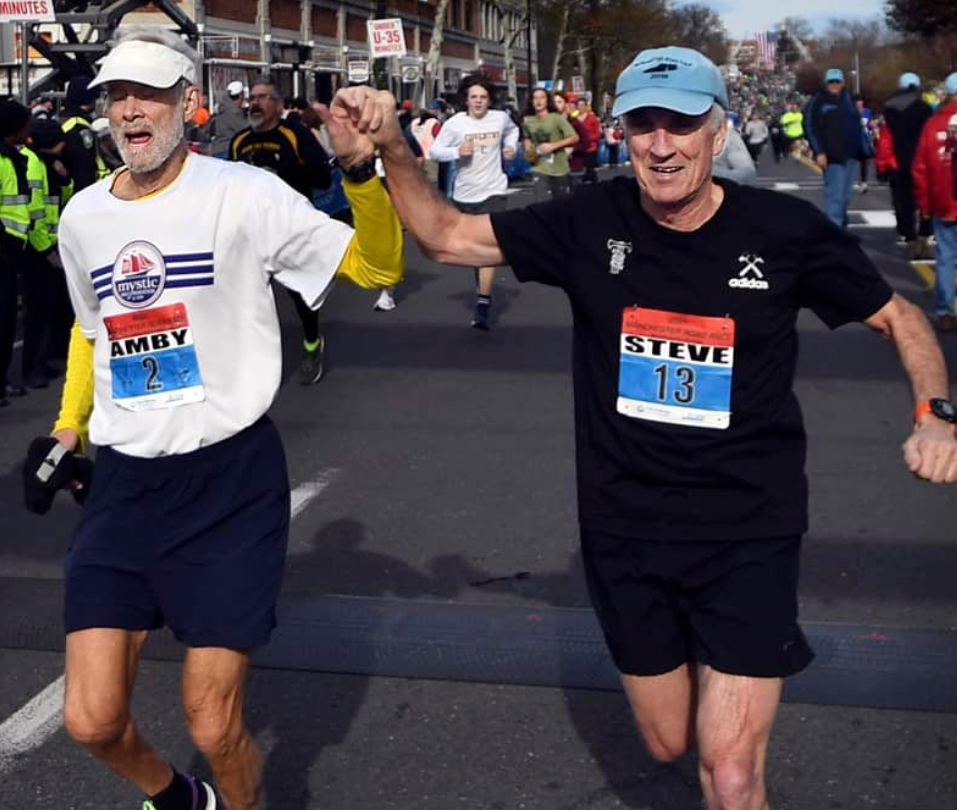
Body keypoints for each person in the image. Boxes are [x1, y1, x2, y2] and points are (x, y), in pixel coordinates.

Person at [335, 44, 957, 810]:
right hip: (624, 526)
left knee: (729, 775)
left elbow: (898, 315)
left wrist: (934, 415)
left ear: (717, 130)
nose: (662, 145)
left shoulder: (781, 231)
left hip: (746, 530)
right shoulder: (591, 219)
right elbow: (447, 238)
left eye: (682, 125)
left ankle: (734, 686)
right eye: (643, 125)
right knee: (669, 742)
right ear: (624, 132)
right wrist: (394, 146)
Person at [21, 25, 402, 810]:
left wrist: (362, 172)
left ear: (188, 104)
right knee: (91, 720)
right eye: (115, 96)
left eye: (148, 94)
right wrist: (68, 426)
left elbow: (377, 266)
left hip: (227, 482)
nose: (130, 110)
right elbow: (91, 329)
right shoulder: (84, 215)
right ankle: (178, 799)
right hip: (124, 490)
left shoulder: (243, 193)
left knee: (213, 720)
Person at [230, 76, 333, 384]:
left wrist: (283, 174)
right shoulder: (240, 141)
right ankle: (253, 356)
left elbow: (323, 178)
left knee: (300, 292)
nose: (255, 103)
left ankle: (312, 343)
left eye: (263, 97)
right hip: (252, 230)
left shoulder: (295, 134)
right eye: (253, 97)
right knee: (248, 293)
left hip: (290, 227)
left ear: (278, 104)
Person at [429, 74, 519, 329]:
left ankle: (483, 302)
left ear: (489, 100)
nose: (478, 102)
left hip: (494, 190)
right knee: (474, 252)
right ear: (466, 100)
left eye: (483, 97)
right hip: (465, 194)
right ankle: (483, 288)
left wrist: (510, 147)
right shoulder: (456, 124)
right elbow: (434, 152)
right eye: (474, 98)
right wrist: (457, 152)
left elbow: (513, 130)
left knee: (489, 244)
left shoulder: (500, 118)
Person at [912, 72, 957, 333]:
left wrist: (925, 206)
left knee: (946, 257)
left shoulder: (933, 124)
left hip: (943, 199)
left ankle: (945, 312)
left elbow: (920, 169)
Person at [0, 100, 34, 407]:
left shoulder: (15, 157)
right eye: (25, 124)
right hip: (4, 252)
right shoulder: (2, 159)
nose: (30, 129)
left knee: (8, 320)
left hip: (13, 253)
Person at [805, 68, 867, 228]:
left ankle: (841, 229)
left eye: (837, 81)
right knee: (835, 197)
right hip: (832, 155)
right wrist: (819, 151)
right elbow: (810, 126)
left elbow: (856, 125)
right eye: (831, 82)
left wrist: (862, 147)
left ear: (843, 82)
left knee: (845, 198)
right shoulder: (818, 100)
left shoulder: (848, 99)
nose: (834, 85)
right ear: (826, 83)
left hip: (851, 154)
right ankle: (835, 235)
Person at [883, 72, 934, 259]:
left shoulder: (890, 109)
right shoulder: (926, 109)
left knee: (902, 202)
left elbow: (886, 139)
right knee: (925, 200)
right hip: (923, 162)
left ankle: (909, 235)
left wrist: (884, 164)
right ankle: (924, 235)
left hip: (898, 163)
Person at [522, 87, 578, 202]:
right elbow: (526, 137)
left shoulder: (556, 118)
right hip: (539, 166)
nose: (538, 101)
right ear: (531, 101)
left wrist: (553, 146)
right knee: (541, 203)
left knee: (560, 204)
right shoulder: (527, 120)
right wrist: (528, 150)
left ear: (547, 101)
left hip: (559, 167)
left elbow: (574, 137)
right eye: (535, 98)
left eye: (542, 98)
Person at [61, 75, 107, 191]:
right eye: (96, 97)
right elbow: (84, 169)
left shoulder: (63, 120)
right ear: (89, 99)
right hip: (83, 193)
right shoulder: (81, 128)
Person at [209, 79, 247, 147]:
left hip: (217, 148)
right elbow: (247, 130)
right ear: (241, 95)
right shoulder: (234, 113)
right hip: (228, 150)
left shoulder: (223, 108)